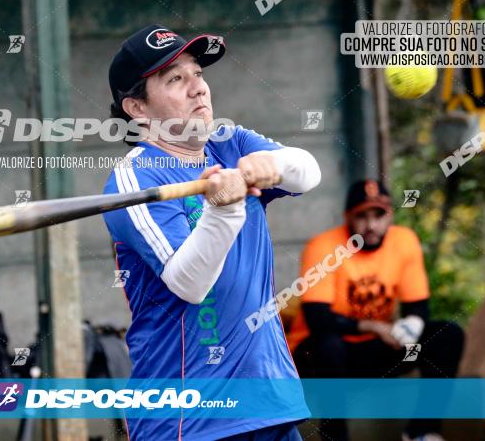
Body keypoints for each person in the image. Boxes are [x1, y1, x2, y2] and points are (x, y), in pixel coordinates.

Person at [102, 24, 322, 440]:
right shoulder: (135, 179)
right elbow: (189, 282)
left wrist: (274, 165)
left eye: (198, 74)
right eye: (176, 79)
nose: (198, 88)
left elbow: (308, 173)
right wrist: (225, 208)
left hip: (268, 400)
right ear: (137, 108)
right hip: (190, 418)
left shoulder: (229, 141)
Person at [288, 179, 465, 441]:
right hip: (319, 356)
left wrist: (409, 329)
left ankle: (423, 431)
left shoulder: (404, 241)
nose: (371, 225)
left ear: (390, 215)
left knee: (447, 334)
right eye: (362, 216)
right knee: (328, 345)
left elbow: (418, 306)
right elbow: (318, 319)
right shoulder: (323, 247)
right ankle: (334, 436)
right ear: (348, 216)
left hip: (375, 350)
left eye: (378, 215)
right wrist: (372, 326)